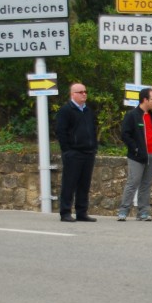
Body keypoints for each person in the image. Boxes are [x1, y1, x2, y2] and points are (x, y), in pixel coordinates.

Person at [117, 87, 152, 221]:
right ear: (145, 100)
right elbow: (125, 134)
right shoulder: (132, 115)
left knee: (146, 184)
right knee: (133, 182)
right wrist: (136, 149)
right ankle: (123, 211)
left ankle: (143, 212)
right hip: (137, 156)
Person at [55, 82, 98, 222]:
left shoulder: (88, 111)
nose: (84, 94)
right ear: (73, 94)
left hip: (88, 152)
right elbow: (61, 131)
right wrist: (67, 150)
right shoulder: (66, 110)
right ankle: (65, 212)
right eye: (81, 92)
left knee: (84, 184)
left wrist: (94, 147)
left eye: (85, 91)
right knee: (69, 183)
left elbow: (93, 129)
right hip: (74, 153)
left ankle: (82, 212)